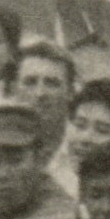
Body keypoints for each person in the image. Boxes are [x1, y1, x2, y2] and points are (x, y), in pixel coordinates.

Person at [9, 39, 80, 196]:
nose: (40, 93)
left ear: (71, 92)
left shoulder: (87, 149)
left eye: (52, 83)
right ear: (14, 90)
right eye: (30, 82)